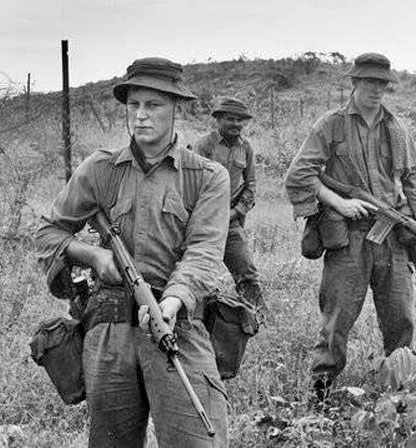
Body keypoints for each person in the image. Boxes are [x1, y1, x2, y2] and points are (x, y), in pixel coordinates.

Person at [36, 57, 230, 447]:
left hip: (175, 323)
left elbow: (204, 253)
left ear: (177, 108)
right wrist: (94, 257)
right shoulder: (100, 169)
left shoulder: (207, 176)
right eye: (134, 105)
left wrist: (173, 301)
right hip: (108, 330)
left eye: (153, 106)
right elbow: (48, 232)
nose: (141, 116)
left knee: (198, 439)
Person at [285, 53, 416, 401]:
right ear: (354, 83)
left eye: (382, 83)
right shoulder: (331, 125)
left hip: (392, 237)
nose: (376, 90)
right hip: (349, 239)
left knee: (401, 319)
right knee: (337, 320)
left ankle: (400, 394)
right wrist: (339, 202)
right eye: (369, 82)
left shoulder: (396, 128)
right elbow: (300, 174)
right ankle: (321, 392)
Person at [190, 98, 263, 308]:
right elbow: (192, 186)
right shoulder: (203, 145)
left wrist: (235, 213)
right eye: (230, 119)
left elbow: (251, 186)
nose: (236, 124)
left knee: (247, 271)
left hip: (230, 220)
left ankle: (256, 315)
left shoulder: (246, 147)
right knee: (196, 269)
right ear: (218, 120)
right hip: (201, 219)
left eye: (240, 120)